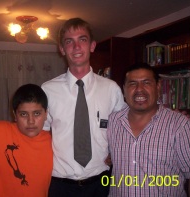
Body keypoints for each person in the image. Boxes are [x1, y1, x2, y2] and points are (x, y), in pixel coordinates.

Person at [41, 18, 126, 197]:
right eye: (69, 41)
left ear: (92, 46)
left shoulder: (111, 89)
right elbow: (39, 133)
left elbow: (125, 128)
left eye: (82, 39)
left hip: (102, 182)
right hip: (60, 185)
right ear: (62, 49)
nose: (76, 46)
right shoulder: (47, 90)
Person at [107, 63, 190, 196]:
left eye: (146, 83)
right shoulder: (113, 121)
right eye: (132, 84)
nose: (139, 89)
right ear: (124, 89)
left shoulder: (180, 125)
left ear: (158, 87)